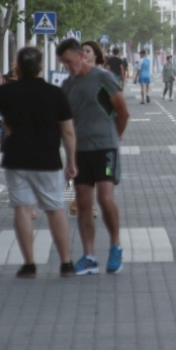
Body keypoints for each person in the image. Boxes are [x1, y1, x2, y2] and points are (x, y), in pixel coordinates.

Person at [0, 47, 76, 278]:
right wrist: (72, 161)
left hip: (16, 158)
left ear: (17, 66)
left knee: (22, 209)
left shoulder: (8, 91)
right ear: (40, 67)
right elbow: (68, 132)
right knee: (55, 209)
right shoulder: (55, 93)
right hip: (48, 158)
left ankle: (29, 264)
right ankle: (66, 263)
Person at [56, 39, 130, 275]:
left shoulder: (103, 78)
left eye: (68, 61)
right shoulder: (67, 86)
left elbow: (123, 111)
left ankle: (115, 245)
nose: (67, 66)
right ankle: (89, 256)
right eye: (63, 63)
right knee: (83, 202)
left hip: (105, 147)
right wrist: (69, 158)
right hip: (80, 151)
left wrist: (114, 137)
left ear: (80, 56)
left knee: (105, 198)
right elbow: (64, 123)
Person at [70, 40, 103, 218]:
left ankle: (90, 204)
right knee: (77, 165)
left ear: (95, 55)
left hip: (98, 129)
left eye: (88, 51)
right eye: (81, 51)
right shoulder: (74, 77)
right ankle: (79, 199)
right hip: (76, 128)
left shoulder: (102, 76)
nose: (84, 54)